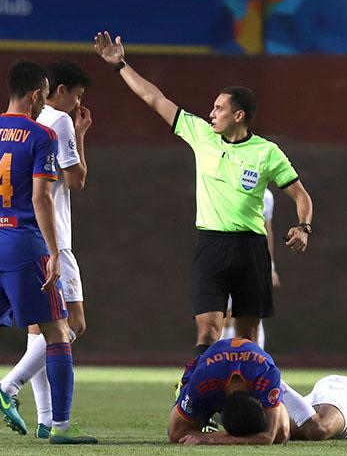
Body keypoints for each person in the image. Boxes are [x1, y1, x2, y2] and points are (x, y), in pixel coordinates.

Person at [93, 32, 313, 359]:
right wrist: (120, 65)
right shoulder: (200, 135)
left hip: (251, 249)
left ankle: (247, 401)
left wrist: (303, 227)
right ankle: (198, 399)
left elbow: (302, 196)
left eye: (219, 108)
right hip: (211, 245)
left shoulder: (266, 152)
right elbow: (155, 99)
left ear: (238, 116)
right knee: (208, 328)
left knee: (248, 334)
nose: (211, 113)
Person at [0, 60, 96, 445]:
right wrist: (53, 252)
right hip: (25, 246)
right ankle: (60, 427)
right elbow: (41, 197)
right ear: (34, 96)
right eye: (43, 96)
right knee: (59, 333)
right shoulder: (39, 135)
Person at [167, 337, 316, 445]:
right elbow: (175, 434)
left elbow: (269, 437)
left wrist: (212, 438)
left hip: (248, 375)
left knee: (282, 433)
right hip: (209, 381)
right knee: (179, 432)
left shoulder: (267, 375)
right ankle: (198, 412)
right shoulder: (202, 381)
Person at [221, 188, 279, 349]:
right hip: (227, 257)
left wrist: (270, 266)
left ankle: (255, 359)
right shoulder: (227, 188)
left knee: (253, 314)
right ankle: (221, 359)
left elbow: (267, 231)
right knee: (224, 314)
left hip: (254, 260)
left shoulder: (266, 196)